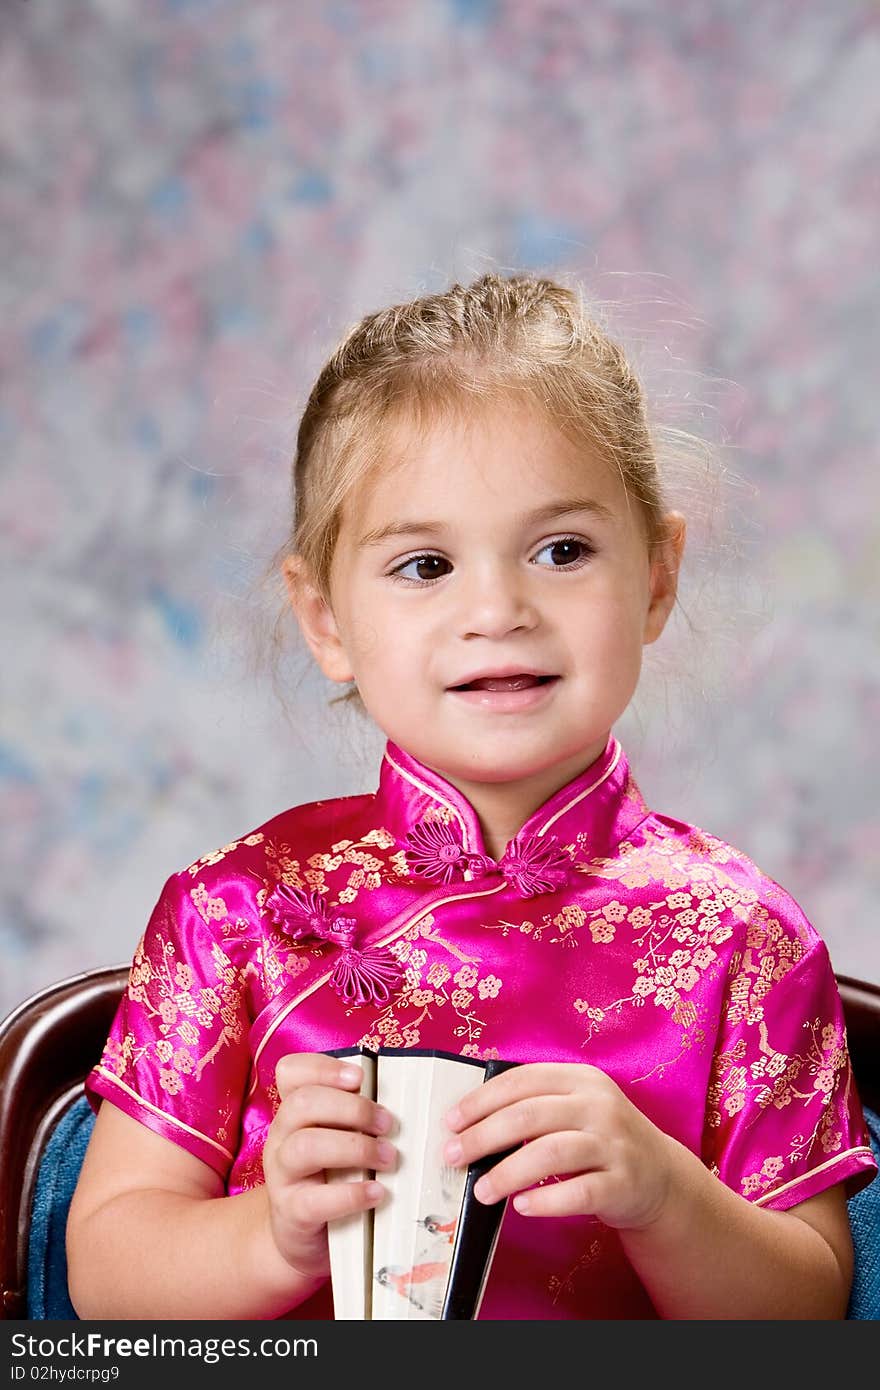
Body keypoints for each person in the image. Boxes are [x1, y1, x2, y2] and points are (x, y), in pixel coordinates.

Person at [66, 272, 877, 1320]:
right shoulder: (234, 911)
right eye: (424, 564)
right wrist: (273, 1234)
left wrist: (664, 1196)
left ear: (658, 578)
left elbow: (809, 1313)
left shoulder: (745, 938)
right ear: (323, 618)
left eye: (562, 551)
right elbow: (106, 1274)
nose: (496, 608)